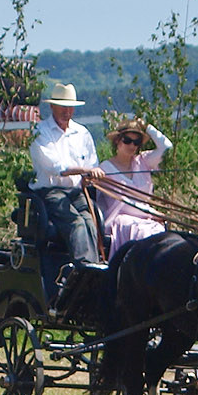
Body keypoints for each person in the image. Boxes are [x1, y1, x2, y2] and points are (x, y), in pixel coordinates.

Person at [27, 81, 101, 265]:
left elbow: (92, 163)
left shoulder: (82, 133)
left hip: (76, 191)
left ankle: (95, 265)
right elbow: (55, 167)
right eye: (62, 107)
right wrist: (85, 170)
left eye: (70, 108)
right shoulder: (40, 132)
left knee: (91, 222)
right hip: (50, 192)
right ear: (52, 106)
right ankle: (82, 269)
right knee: (75, 223)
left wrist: (90, 178)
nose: (67, 112)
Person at [91, 118, 173, 254]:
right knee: (144, 234)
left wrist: (147, 127)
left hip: (147, 220)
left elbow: (166, 147)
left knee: (161, 235)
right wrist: (152, 213)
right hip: (121, 220)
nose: (132, 146)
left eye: (136, 142)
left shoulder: (143, 161)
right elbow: (125, 205)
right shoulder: (105, 169)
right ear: (118, 140)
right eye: (127, 140)